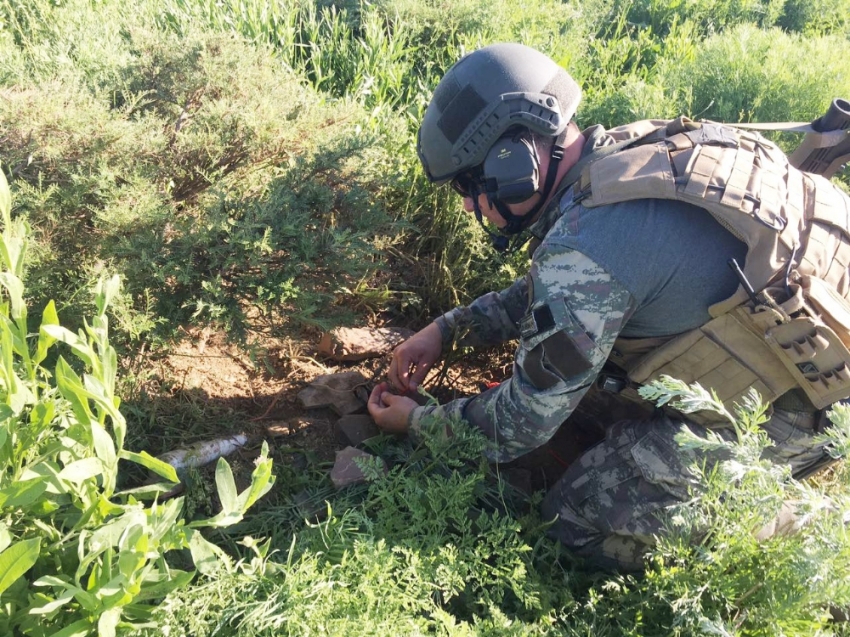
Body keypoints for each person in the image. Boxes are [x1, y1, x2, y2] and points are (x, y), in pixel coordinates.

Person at [366, 42, 849, 570]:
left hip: (795, 413)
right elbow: (560, 291)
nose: (466, 204)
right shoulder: (625, 152)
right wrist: (446, 329)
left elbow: (520, 424)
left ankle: (771, 523)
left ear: (514, 165)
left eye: (469, 184)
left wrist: (418, 422)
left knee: (572, 521)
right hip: (796, 351)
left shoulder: (589, 247)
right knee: (589, 401)